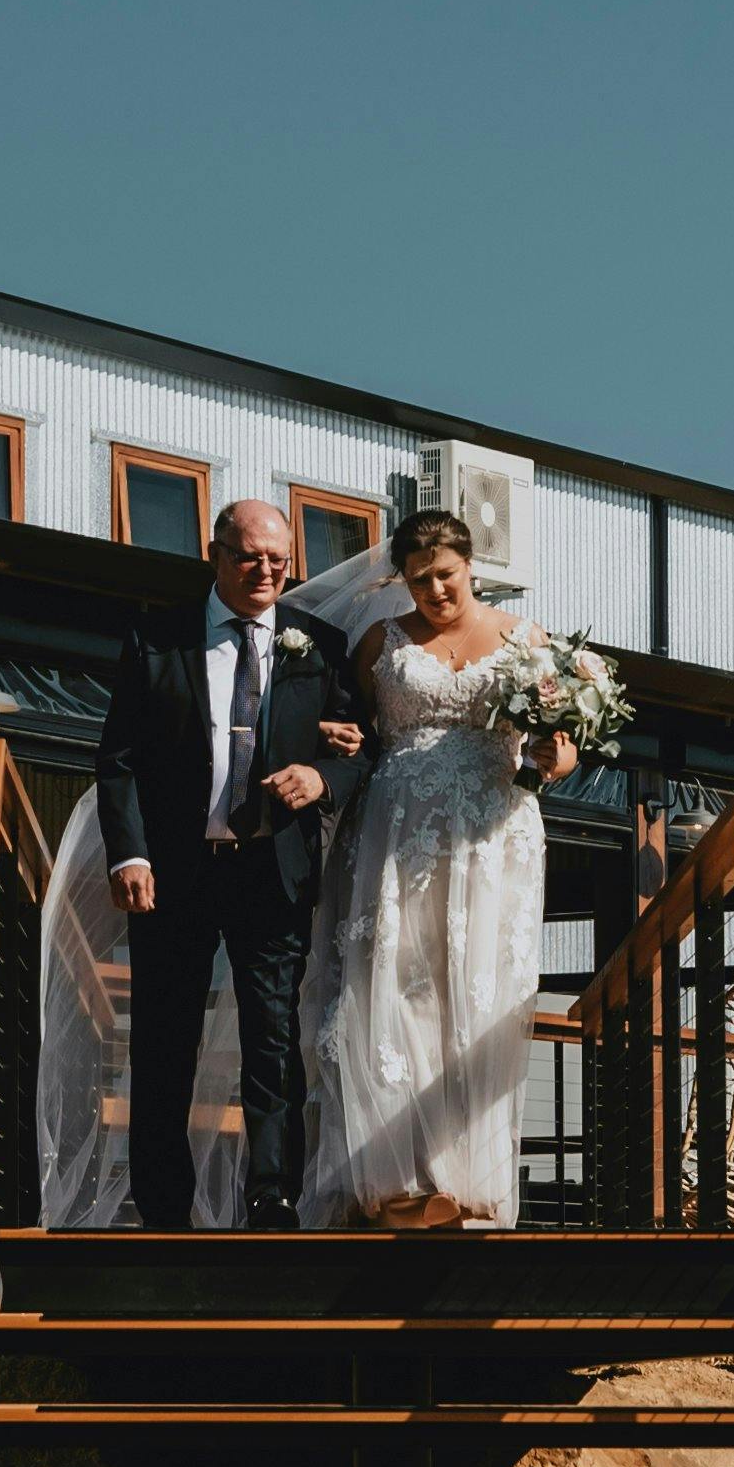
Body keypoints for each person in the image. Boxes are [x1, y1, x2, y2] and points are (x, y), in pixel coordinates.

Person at [304, 506, 580, 1230]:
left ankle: (465, 1179)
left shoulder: (525, 642)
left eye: (447, 575)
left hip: (492, 839)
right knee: (398, 985)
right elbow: (343, 729)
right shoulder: (378, 642)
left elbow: (561, 742)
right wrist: (330, 737)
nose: (436, 591)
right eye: (420, 579)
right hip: (396, 839)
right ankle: (394, 1177)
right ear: (401, 578)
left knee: (479, 992)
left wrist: (560, 758)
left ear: (470, 566)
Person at [86, 499, 351, 1228]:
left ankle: (272, 1198)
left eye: (279, 558)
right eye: (249, 556)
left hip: (273, 873)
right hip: (175, 872)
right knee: (165, 1039)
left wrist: (324, 777)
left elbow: (362, 751)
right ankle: (163, 1205)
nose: (266, 570)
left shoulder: (318, 646)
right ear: (215, 553)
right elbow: (119, 760)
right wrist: (130, 852)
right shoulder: (158, 637)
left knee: (272, 1041)